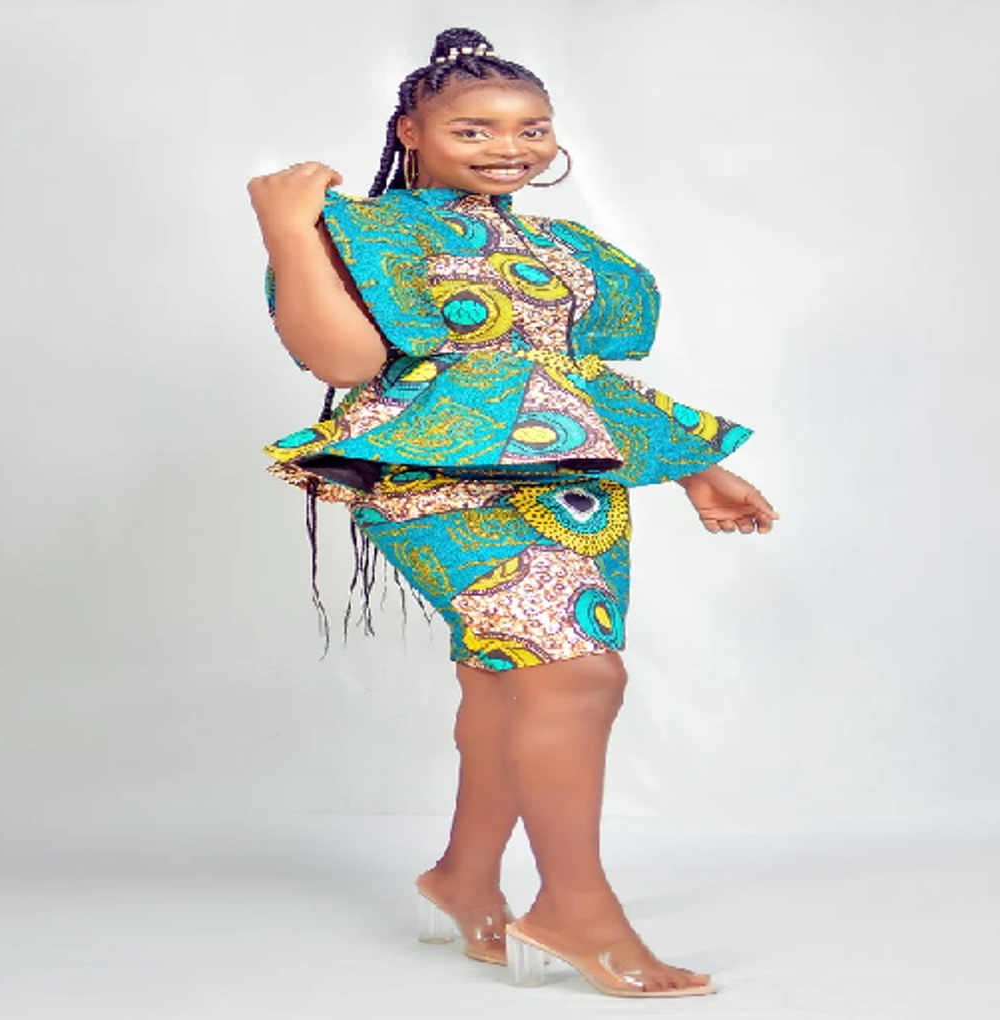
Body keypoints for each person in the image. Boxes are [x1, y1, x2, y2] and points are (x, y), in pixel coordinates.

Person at [248, 26, 779, 999]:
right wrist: (286, 225)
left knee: (511, 681)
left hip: (572, 487)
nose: (510, 148)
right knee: (577, 676)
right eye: (476, 128)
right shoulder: (362, 230)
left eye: (532, 128)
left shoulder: (558, 247)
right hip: (436, 479)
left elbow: (574, 374)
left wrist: (696, 466)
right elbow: (348, 362)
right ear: (410, 130)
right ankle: (576, 910)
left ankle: (463, 879)